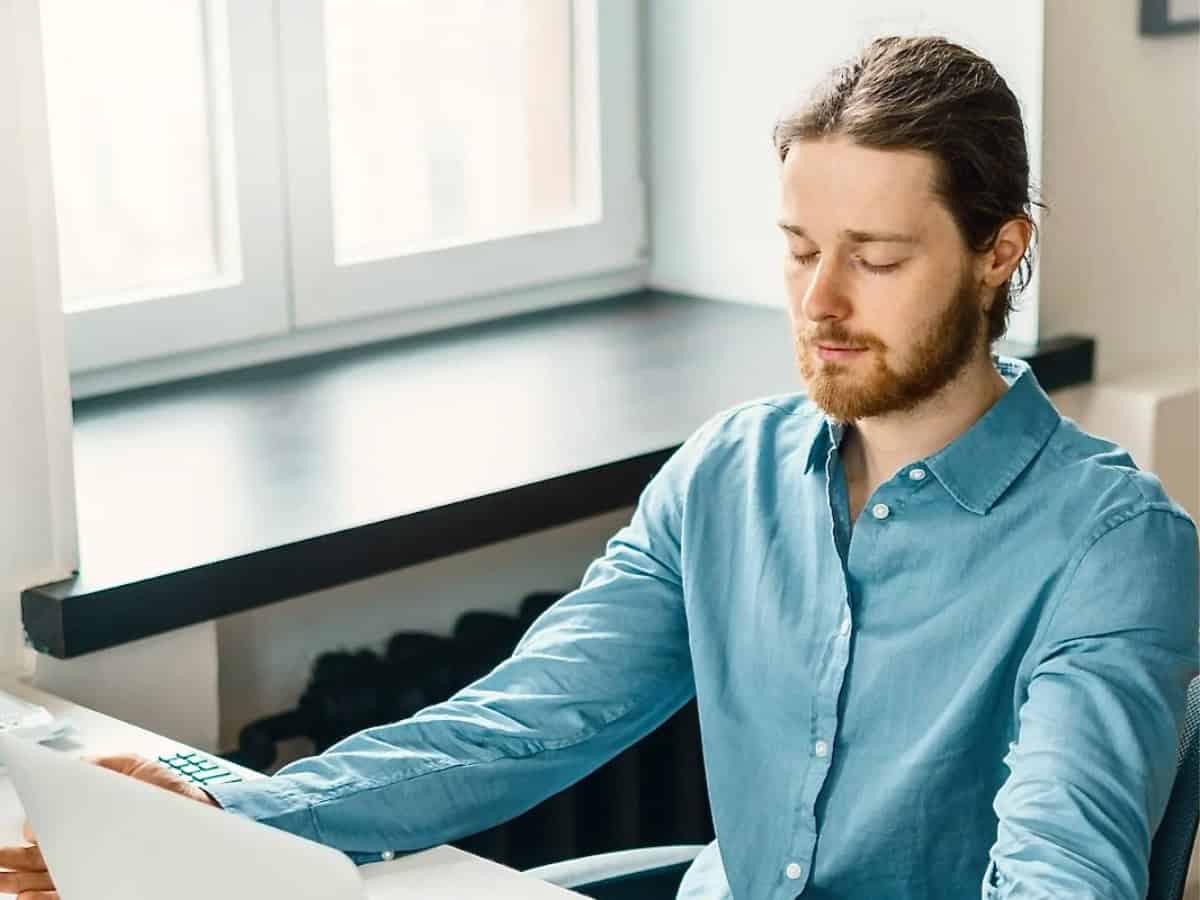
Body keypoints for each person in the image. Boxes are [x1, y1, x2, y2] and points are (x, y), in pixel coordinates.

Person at [2, 35, 1196, 900]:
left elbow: (1060, 872)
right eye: (797, 251)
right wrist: (222, 816)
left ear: (1000, 252)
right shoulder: (729, 474)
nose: (820, 304)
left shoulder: (1111, 548)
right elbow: (515, 728)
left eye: (876, 259)